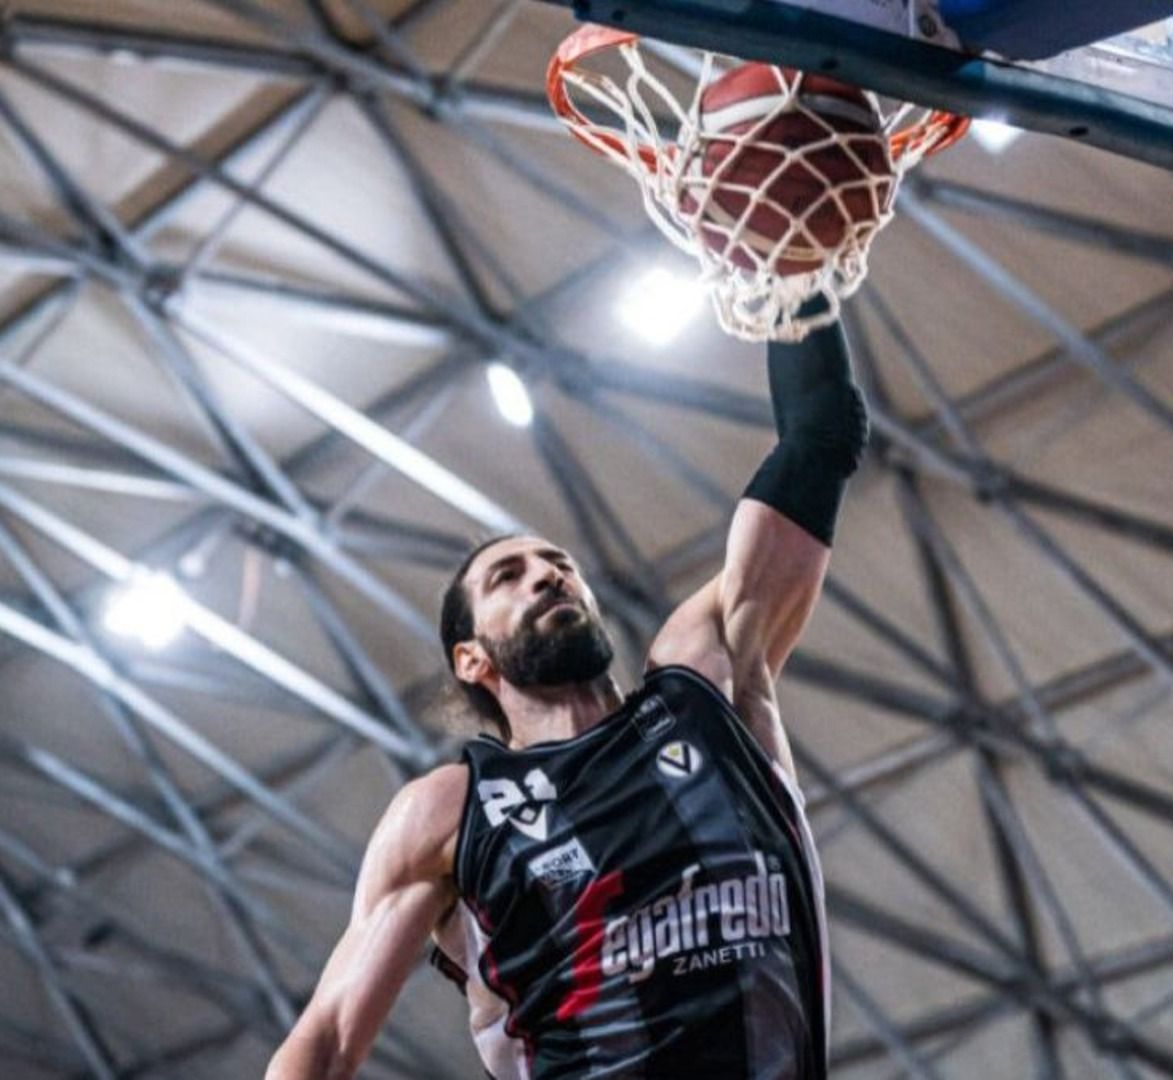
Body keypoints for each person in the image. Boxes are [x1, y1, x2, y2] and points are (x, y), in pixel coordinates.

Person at [267, 302, 867, 1080]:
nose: (546, 575)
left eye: (558, 564)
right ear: (471, 659)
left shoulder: (705, 684)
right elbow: (325, 1042)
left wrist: (799, 285)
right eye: (507, 577)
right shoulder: (451, 809)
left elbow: (820, 435)